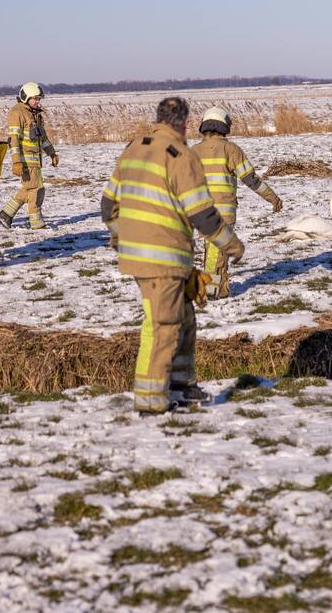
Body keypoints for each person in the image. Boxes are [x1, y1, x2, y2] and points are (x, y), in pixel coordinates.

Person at [100, 97, 245, 415]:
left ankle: (182, 385)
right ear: (184, 123)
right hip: (162, 259)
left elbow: (108, 206)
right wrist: (232, 246)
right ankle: (152, 402)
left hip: (149, 257)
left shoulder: (132, 150)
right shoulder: (181, 156)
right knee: (163, 327)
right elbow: (203, 215)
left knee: (186, 318)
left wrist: (122, 236)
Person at [193, 106, 282, 298]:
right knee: (217, 251)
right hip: (223, 213)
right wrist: (272, 197)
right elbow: (251, 179)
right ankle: (212, 290)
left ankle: (218, 288)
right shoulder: (231, 150)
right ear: (224, 126)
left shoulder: (193, 151)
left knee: (213, 249)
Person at [0, 82, 58, 230]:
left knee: (31, 188)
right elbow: (13, 139)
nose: (38, 102)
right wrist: (16, 162)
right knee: (36, 189)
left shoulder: (35, 114)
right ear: (25, 97)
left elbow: (42, 138)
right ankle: (36, 223)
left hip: (36, 160)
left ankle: (6, 214)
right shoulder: (17, 112)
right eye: (35, 99)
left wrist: (51, 152)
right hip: (25, 160)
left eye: (39, 99)